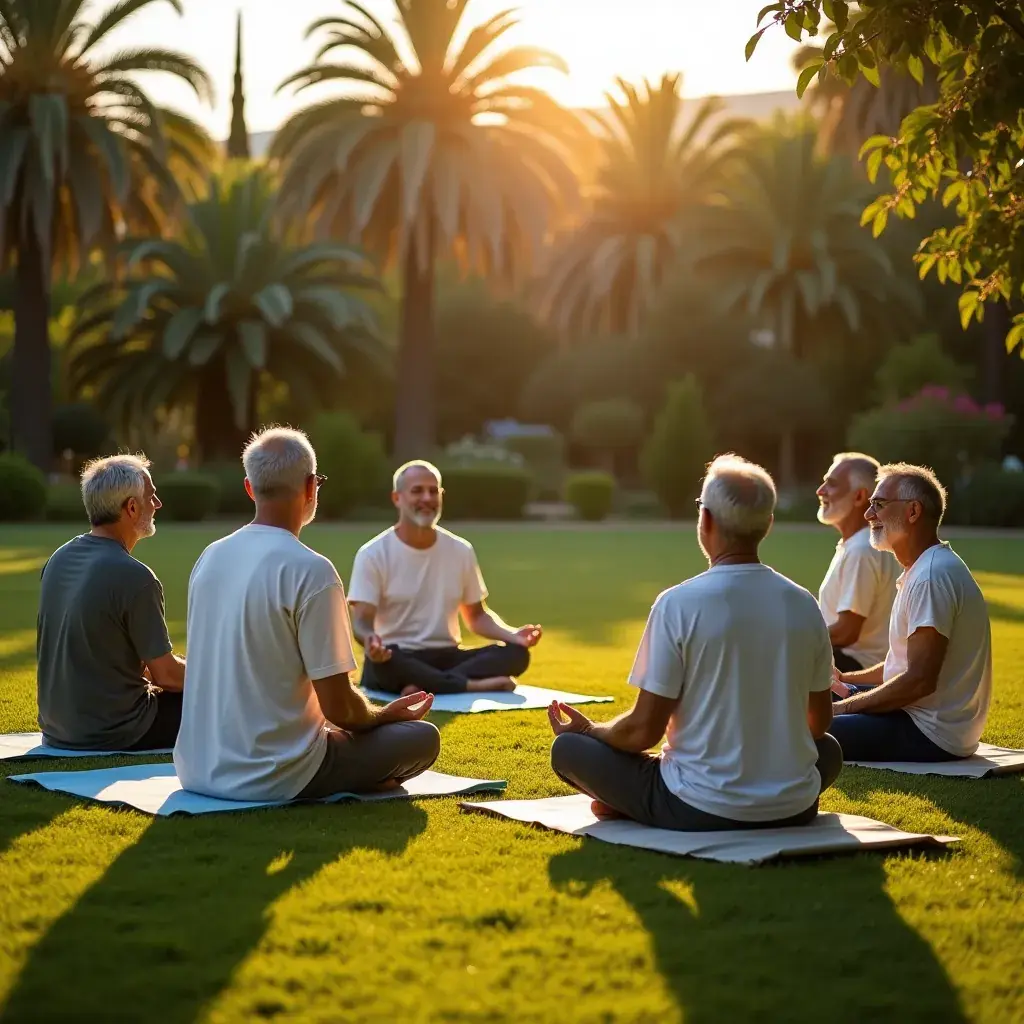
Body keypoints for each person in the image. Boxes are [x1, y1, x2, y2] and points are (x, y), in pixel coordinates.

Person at [548, 455, 842, 830]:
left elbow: (642, 731)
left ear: (706, 520)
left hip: (697, 807)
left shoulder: (678, 603)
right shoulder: (804, 604)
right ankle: (632, 800)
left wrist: (589, 731)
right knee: (828, 750)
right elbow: (817, 724)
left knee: (569, 749)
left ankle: (627, 802)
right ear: (767, 524)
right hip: (794, 806)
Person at [173, 428, 440, 802]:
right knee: (421, 738)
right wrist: (384, 717)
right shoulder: (311, 570)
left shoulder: (210, 558)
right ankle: (360, 776)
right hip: (274, 776)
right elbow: (340, 707)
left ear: (250, 488)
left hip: (197, 770)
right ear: (312, 487)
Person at [830, 463, 992, 762]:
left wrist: (845, 707)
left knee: (802, 725)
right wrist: (846, 678)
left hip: (929, 733)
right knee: (808, 699)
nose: (868, 515)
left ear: (913, 512)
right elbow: (903, 664)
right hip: (921, 719)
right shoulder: (925, 568)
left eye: (878, 505)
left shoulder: (931, 576)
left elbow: (919, 680)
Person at [348, 460, 543, 697]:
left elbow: (477, 616)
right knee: (382, 663)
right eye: (417, 491)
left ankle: (424, 685)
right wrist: (371, 641)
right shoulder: (373, 554)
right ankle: (471, 685)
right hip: (398, 656)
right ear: (397, 498)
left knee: (517, 654)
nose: (427, 498)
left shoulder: (461, 550)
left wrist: (513, 635)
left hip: (447, 656)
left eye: (433, 491)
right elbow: (362, 622)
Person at [36, 454, 185, 751]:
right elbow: (167, 676)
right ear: (131, 508)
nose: (157, 505)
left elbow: (105, 654)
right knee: (221, 699)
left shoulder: (59, 559)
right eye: (151, 497)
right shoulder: (137, 578)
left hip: (58, 729)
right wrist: (215, 673)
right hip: (115, 730)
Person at [816, 452, 899, 675]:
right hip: (851, 661)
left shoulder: (862, 549)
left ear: (860, 496)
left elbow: (846, 631)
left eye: (831, 484)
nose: (820, 491)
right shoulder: (861, 544)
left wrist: (793, 638)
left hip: (855, 667)